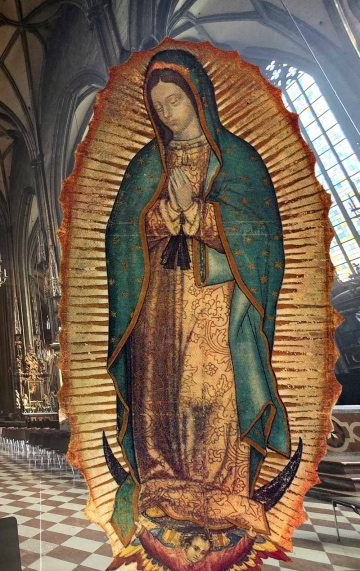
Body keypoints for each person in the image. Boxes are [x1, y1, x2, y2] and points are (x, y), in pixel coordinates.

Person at [105, 49, 290, 541]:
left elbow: (263, 238)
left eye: (175, 101)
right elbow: (121, 235)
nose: (166, 113)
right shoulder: (147, 164)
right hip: (158, 304)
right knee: (159, 388)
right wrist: (164, 216)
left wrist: (202, 215)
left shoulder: (238, 160)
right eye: (158, 105)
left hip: (214, 298)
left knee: (209, 392)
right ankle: (161, 483)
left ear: (199, 98)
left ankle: (222, 490)